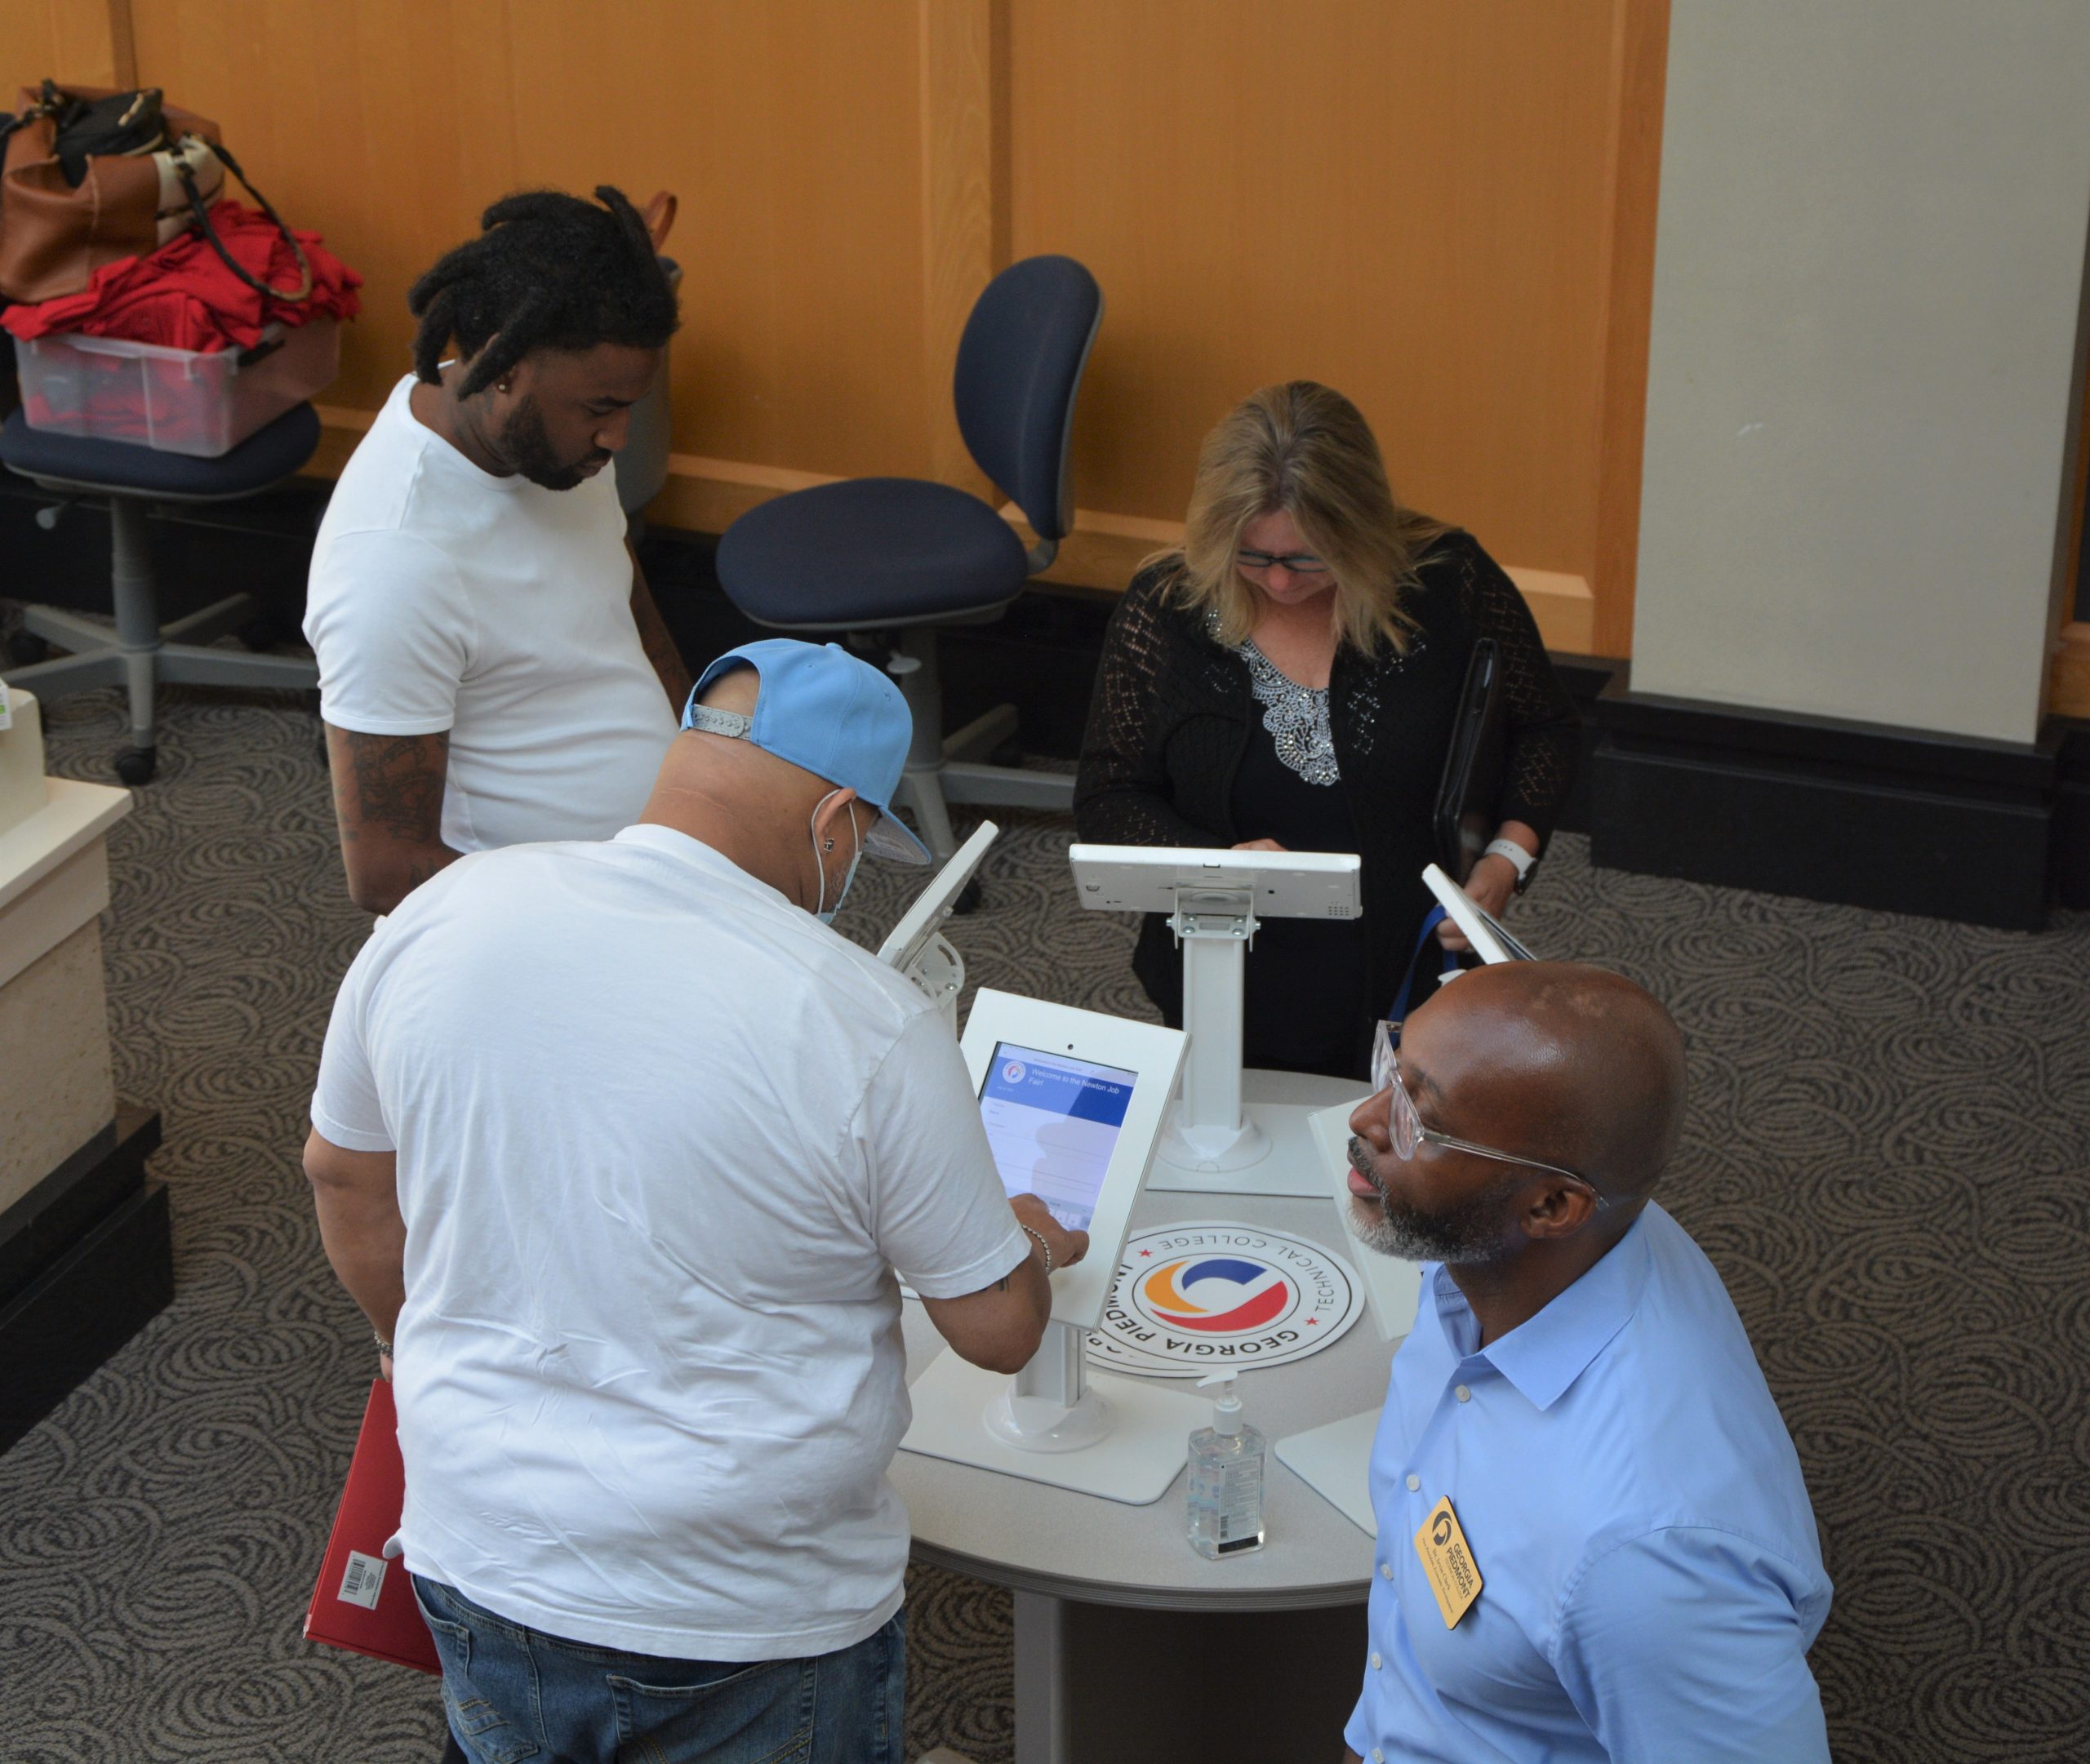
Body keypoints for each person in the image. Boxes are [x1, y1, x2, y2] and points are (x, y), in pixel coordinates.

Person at [303, 638, 1081, 1764]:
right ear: (832, 821)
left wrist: (407, 1345)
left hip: (480, 1549)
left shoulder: (440, 913)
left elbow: (342, 1173)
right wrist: (1025, 1248)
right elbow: (997, 1329)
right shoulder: (864, 1019)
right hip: (750, 1608)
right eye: (863, 837)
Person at [1337, 962, 1831, 1763]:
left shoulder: (1642, 1561)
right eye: (1390, 1067)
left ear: (1549, 1206)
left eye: (1416, 1117)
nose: (1364, 1118)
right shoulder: (1499, 1251)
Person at [1074, 381, 1579, 1080]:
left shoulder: (1444, 583)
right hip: (1225, 971)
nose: (1279, 583)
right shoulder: (1167, 609)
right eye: (1253, 557)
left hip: (1409, 969)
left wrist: (1503, 863)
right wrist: (1221, 864)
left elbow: (1545, 729)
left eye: (1309, 558)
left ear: (1361, 529)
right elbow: (1108, 798)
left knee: (1393, 1164)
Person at [304, 185, 694, 917]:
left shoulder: (555, 446)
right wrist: (612, 904)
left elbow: (624, 606)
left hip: (669, 863)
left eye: (630, 405)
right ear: (502, 365)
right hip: (557, 922)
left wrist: (703, 761)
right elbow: (387, 872)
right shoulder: (393, 562)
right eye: (602, 410)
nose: (620, 439)